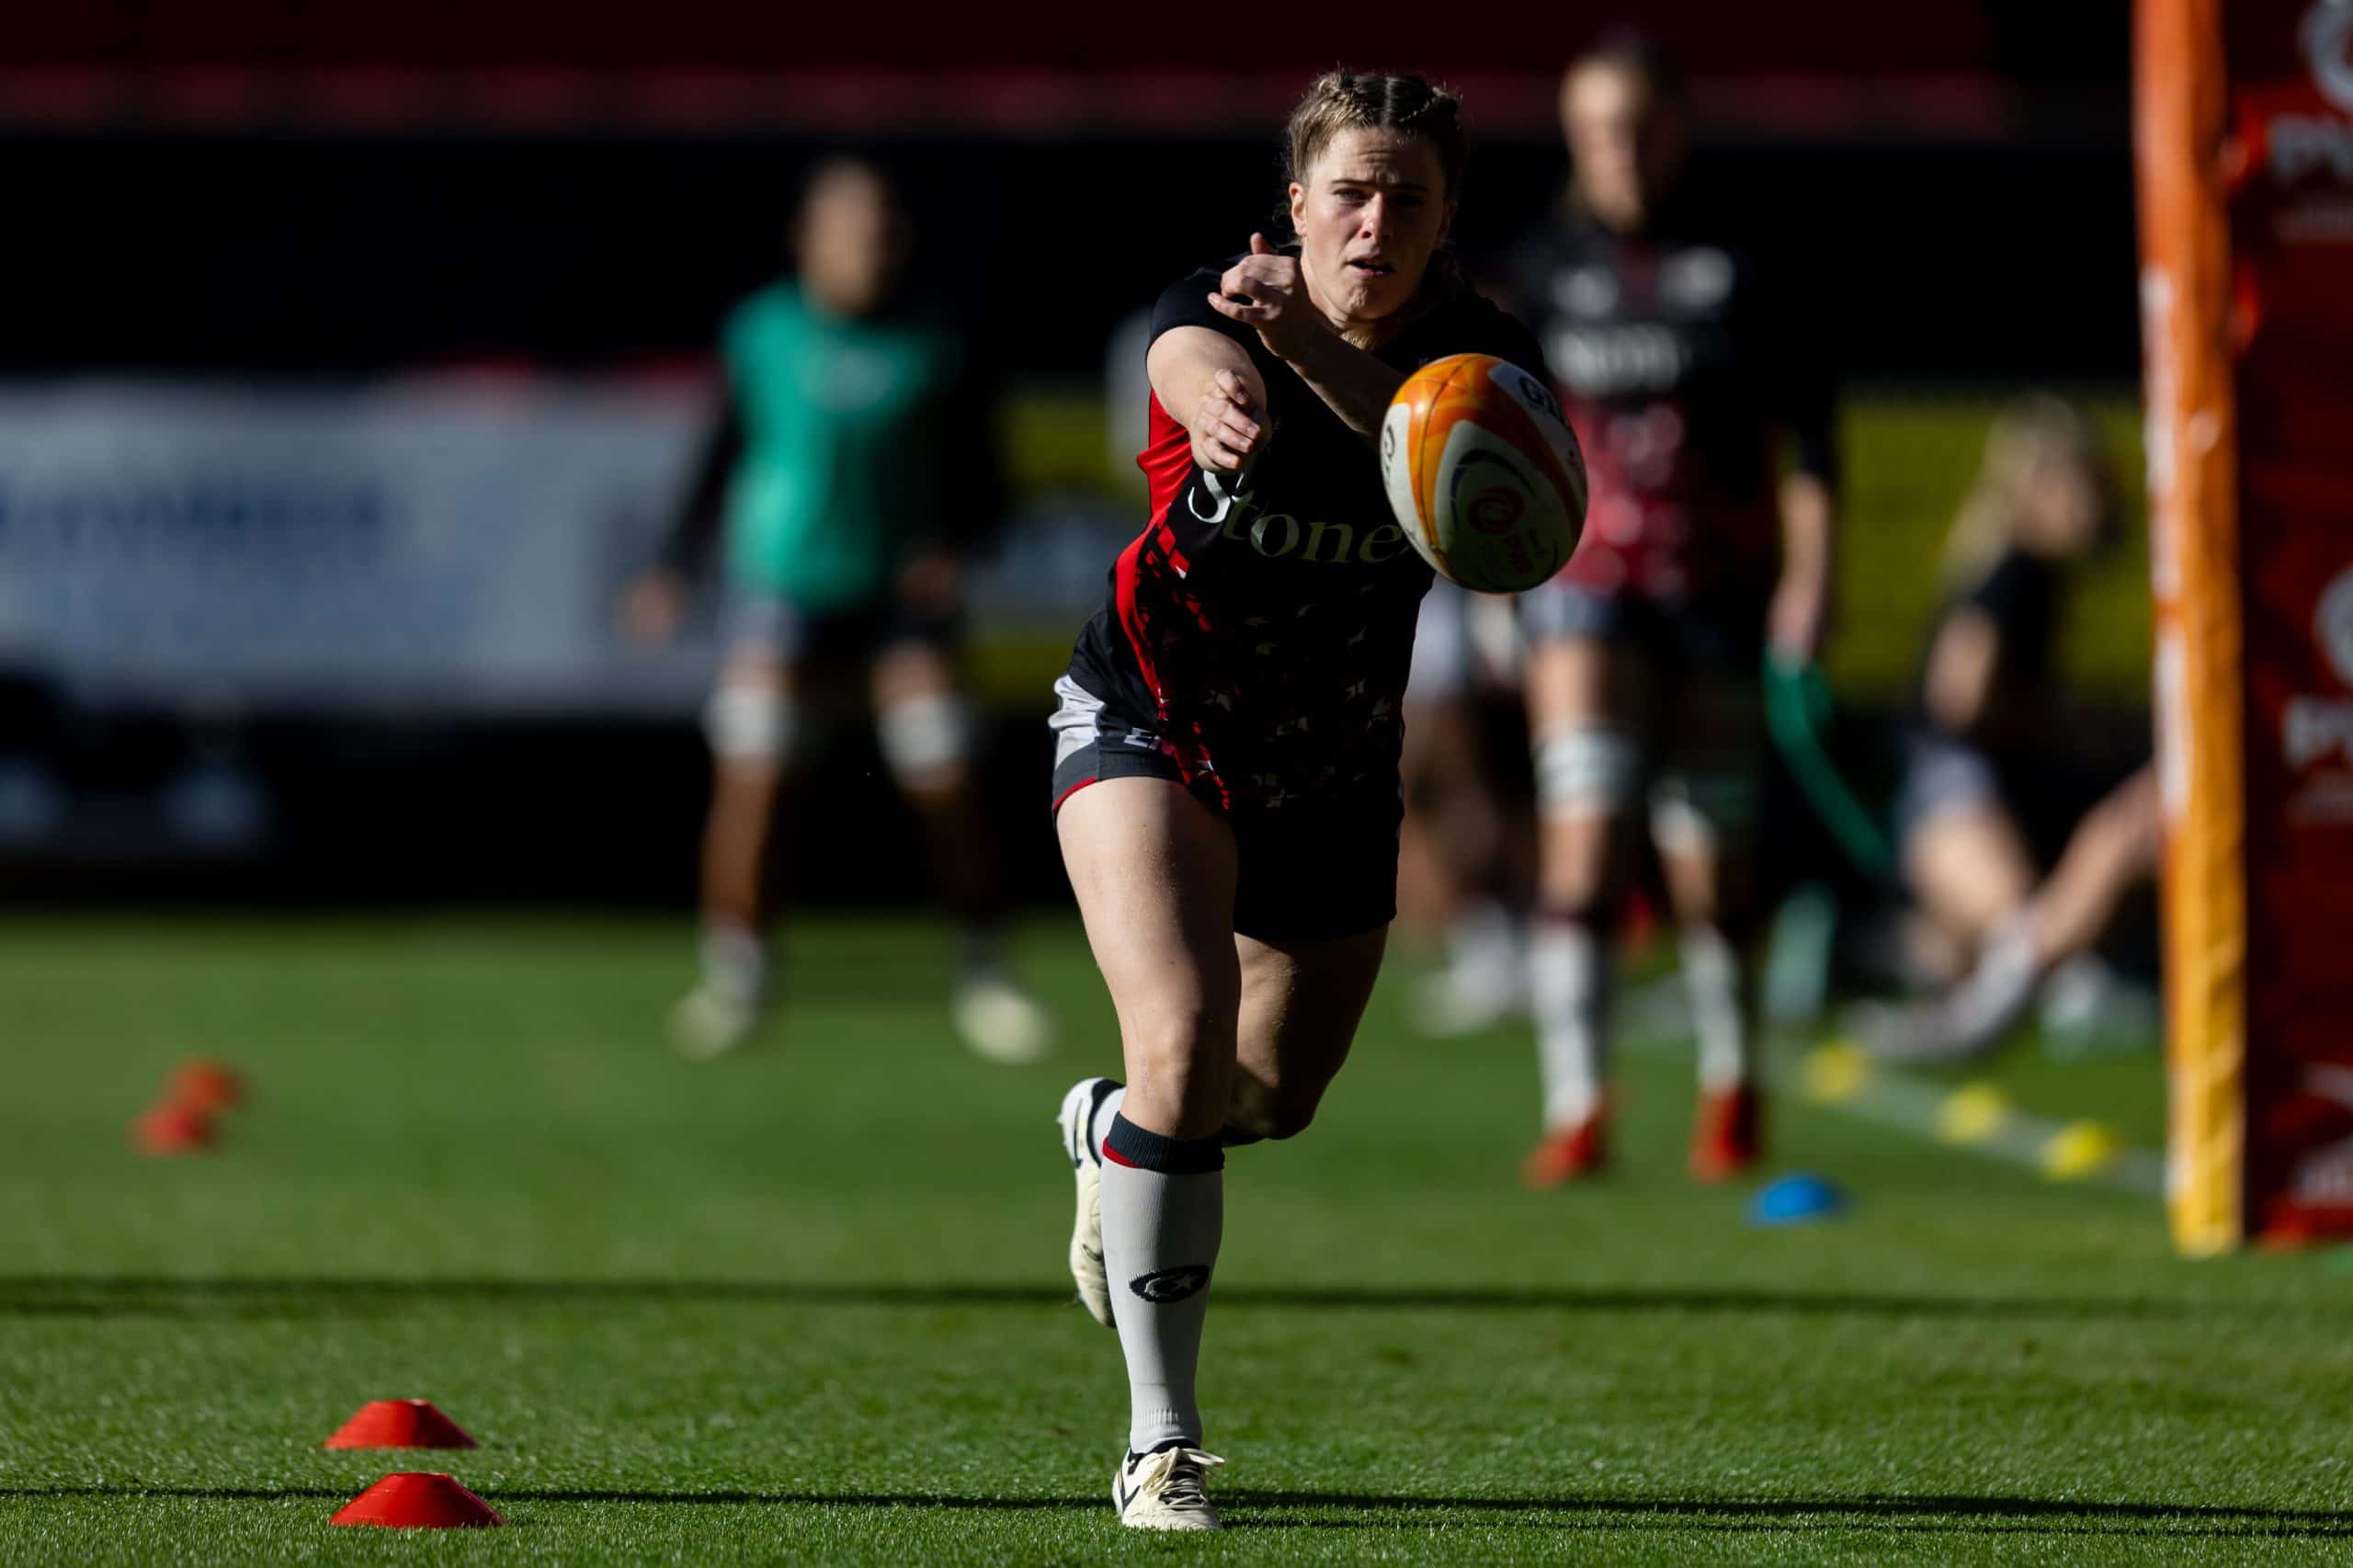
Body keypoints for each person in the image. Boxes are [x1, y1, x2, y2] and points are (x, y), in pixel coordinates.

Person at [1045, 70, 1547, 1530]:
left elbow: (1495, 535)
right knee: (1188, 1051)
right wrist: (1216, 396)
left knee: (1269, 1097)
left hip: (1329, 768)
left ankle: (1108, 1127)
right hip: (1151, 721)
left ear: (1449, 218)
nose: (1373, 219)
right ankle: (1162, 1441)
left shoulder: (1485, 359)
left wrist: (1331, 382)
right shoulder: (1225, 306)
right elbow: (1182, 361)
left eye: (1407, 196)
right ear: (1296, 202)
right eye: (1349, 190)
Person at [621, 158, 1052, 1065]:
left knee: (942, 770)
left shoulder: (935, 342)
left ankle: (984, 968)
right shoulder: (763, 333)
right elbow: (720, 452)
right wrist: (671, 566)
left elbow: (987, 485)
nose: (871, 247)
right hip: (783, 587)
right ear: (808, 239)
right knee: (757, 771)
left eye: (884, 230)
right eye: (852, 229)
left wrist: (954, 547)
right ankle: (737, 969)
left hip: (898, 596)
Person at [1506, 35, 1840, 1186]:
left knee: (1712, 863)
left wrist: (1810, 584)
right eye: (1597, 128)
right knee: (1585, 840)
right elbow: (1496, 442)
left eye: (1638, 124)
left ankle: (1734, 1080)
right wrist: (1499, 585)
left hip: (1715, 591)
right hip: (1583, 591)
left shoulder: (1744, 262)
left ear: (1678, 126)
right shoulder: (1540, 268)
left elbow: (1810, 441)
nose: (1621, 149)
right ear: (1571, 139)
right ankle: (1578, 1101)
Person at [1860, 395, 2157, 1061]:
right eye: (2091, 485)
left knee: (2018, 931)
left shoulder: (2036, 574)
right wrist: (2074, 726)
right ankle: (1970, 1000)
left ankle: (1920, 956)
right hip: (1951, 784)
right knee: (2023, 925)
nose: (2104, 503)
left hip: (1960, 784)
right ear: (2044, 486)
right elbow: (1961, 698)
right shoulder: (2011, 571)